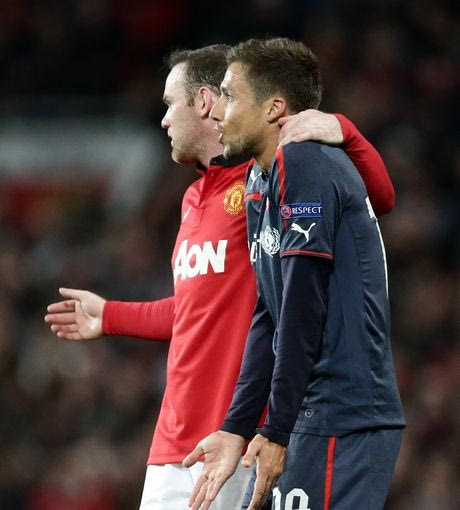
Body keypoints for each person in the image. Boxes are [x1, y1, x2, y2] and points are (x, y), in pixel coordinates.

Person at [44, 44, 396, 510]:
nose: (163, 120)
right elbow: (201, 309)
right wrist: (110, 315)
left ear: (206, 101)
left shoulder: (269, 174)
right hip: (177, 441)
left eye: (170, 104)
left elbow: (376, 199)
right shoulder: (194, 200)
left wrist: (342, 129)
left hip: (248, 434)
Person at [183, 38, 405, 510]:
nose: (215, 110)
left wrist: (275, 429)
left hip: (343, 413)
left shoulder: (305, 162)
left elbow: (304, 306)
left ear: (274, 108)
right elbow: (270, 311)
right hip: (310, 412)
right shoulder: (259, 179)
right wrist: (237, 427)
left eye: (230, 95)